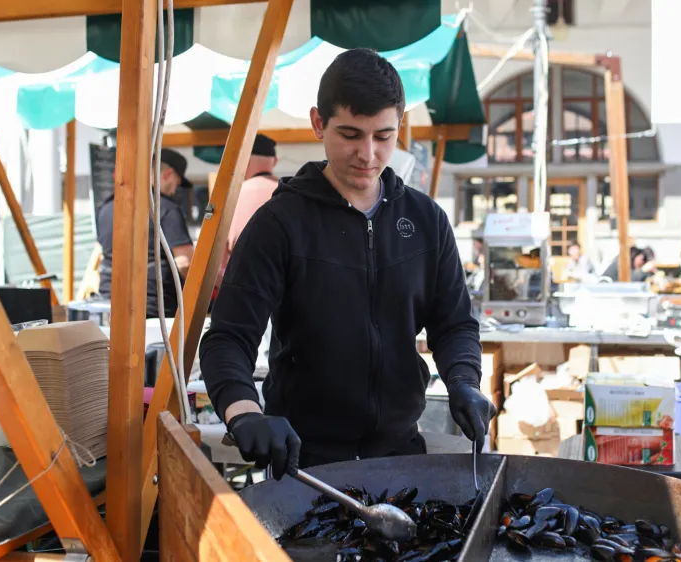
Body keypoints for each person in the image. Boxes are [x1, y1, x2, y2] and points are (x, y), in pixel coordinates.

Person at [200, 48, 494, 479]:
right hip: (304, 461)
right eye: (351, 135)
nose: (369, 154)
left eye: (383, 136)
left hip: (400, 452)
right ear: (318, 123)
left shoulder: (426, 220)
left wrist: (465, 381)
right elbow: (228, 337)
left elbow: (454, 325)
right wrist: (244, 412)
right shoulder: (279, 223)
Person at [96, 148, 195, 318]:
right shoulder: (166, 209)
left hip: (109, 302)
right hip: (153, 307)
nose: (173, 191)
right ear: (167, 174)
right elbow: (184, 262)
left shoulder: (106, 207)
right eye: (176, 185)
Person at [213, 134, 281, 297]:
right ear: (275, 161)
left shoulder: (230, 197)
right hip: (291, 298)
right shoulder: (295, 194)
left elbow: (215, 265)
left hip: (245, 296)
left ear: (242, 161)